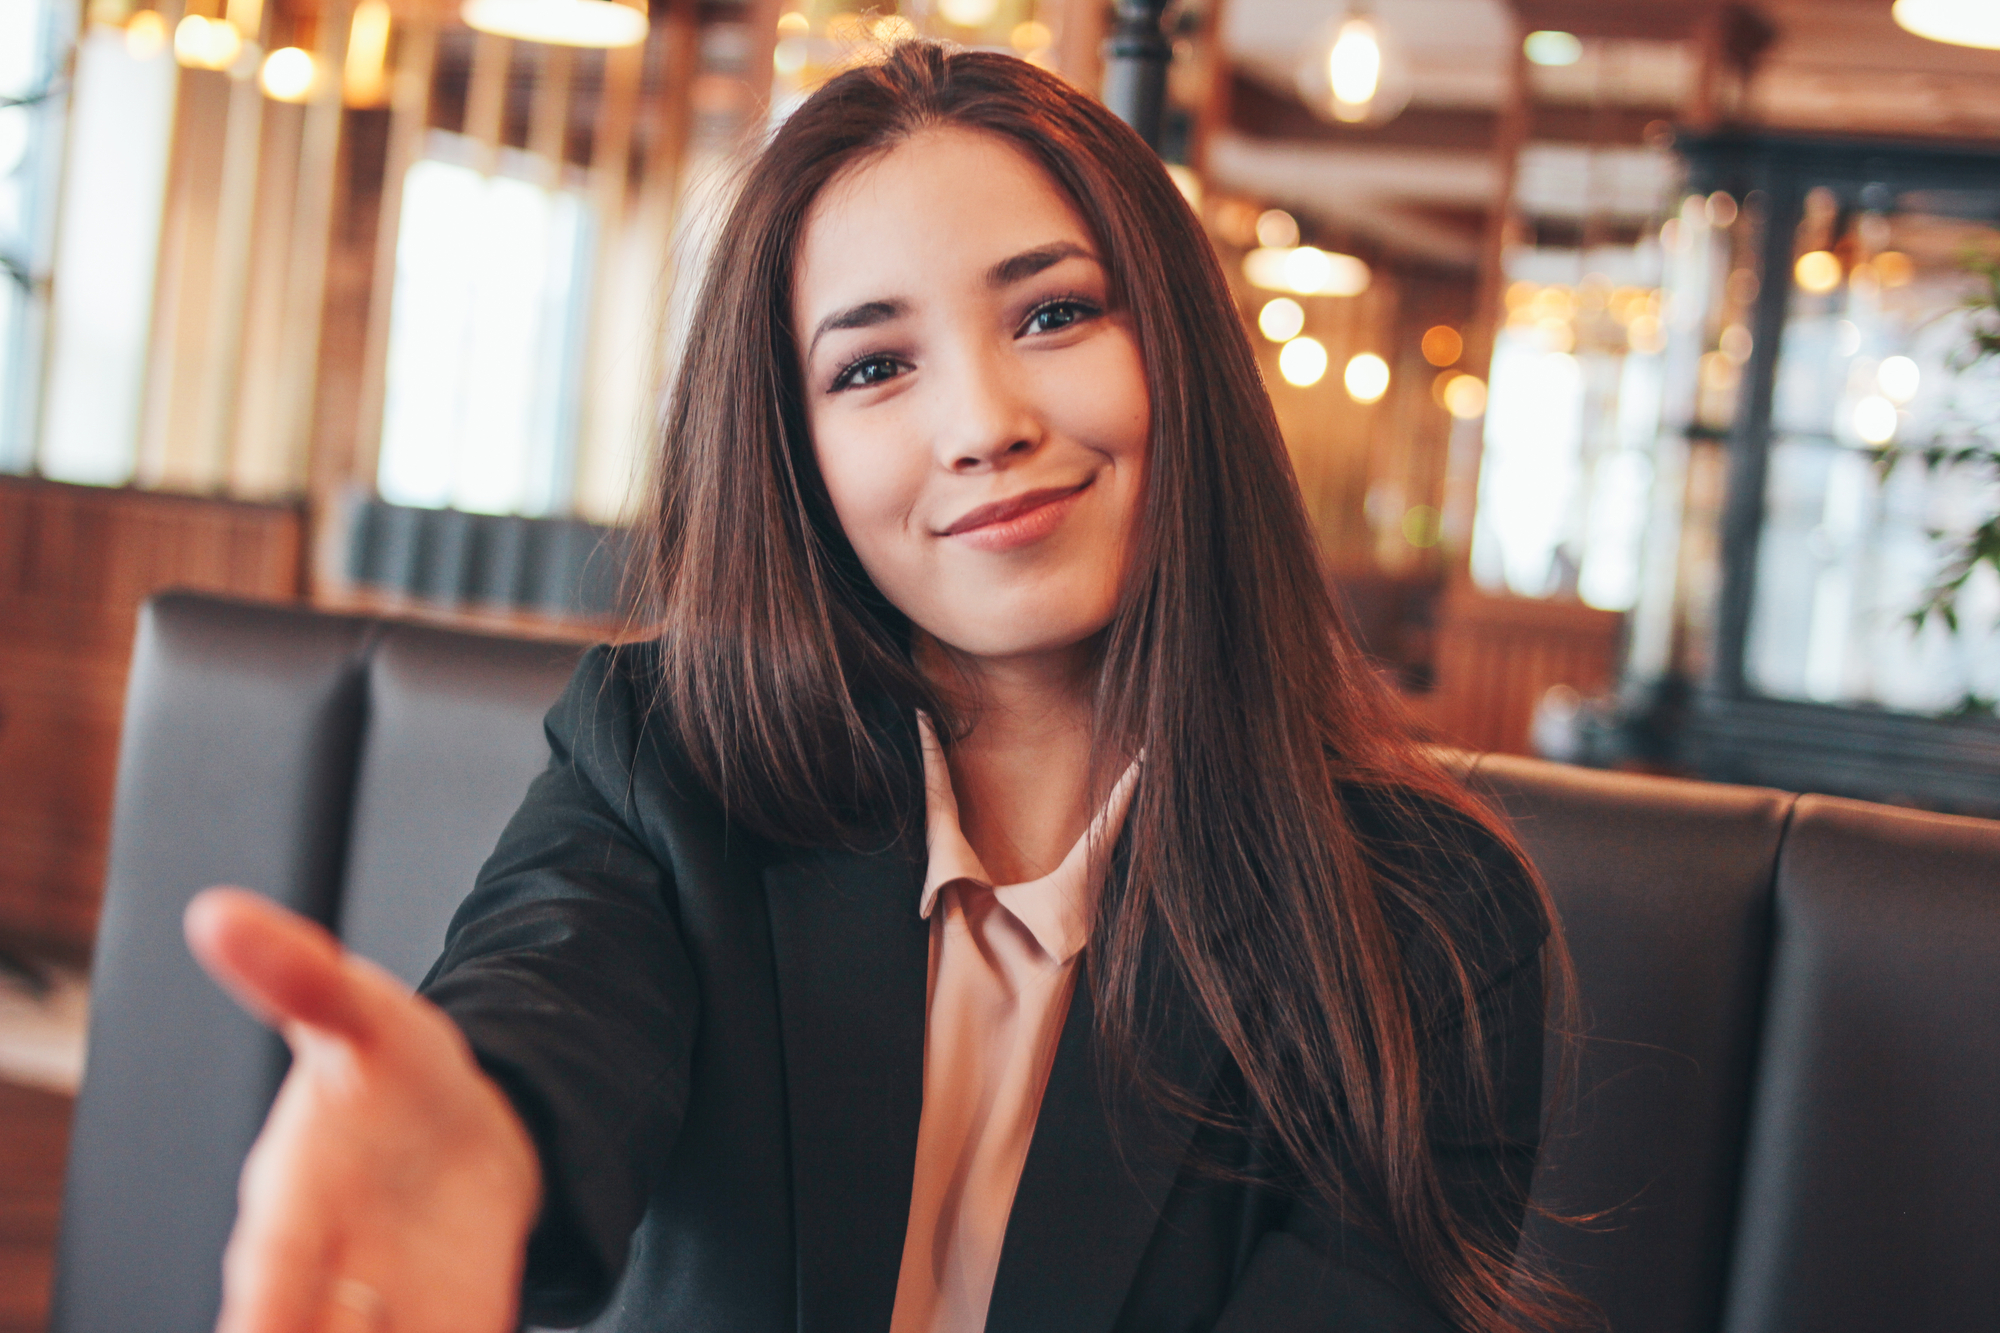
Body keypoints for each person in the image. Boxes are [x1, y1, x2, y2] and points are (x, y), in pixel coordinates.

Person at [186, 41, 1574, 1333]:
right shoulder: (667, 760)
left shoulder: (1424, 918)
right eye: (874, 365)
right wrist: (486, 1135)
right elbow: (548, 996)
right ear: (797, 453)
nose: (983, 424)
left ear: (1180, 354)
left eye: (1055, 311)